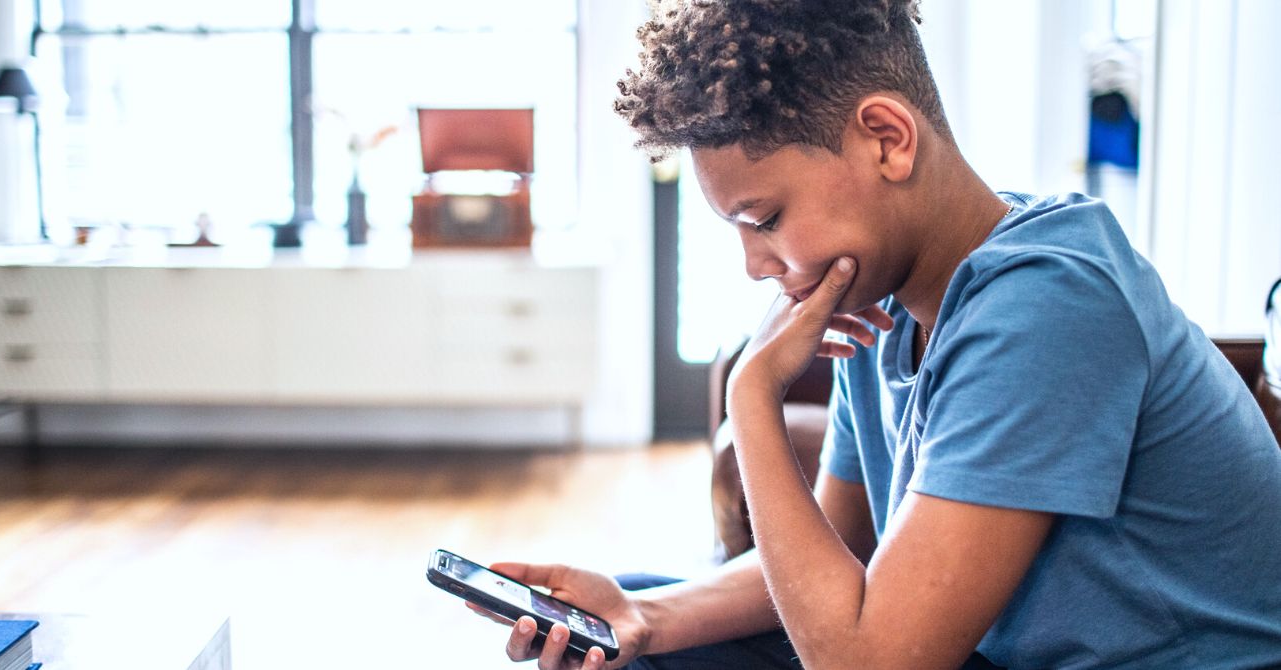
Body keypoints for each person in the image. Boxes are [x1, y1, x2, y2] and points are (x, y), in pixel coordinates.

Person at [472, 1, 1281, 668]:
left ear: (887, 139)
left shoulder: (1049, 305)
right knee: (629, 632)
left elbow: (870, 664)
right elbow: (839, 554)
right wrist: (644, 613)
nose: (757, 265)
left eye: (766, 219)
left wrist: (754, 396)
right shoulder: (879, 299)